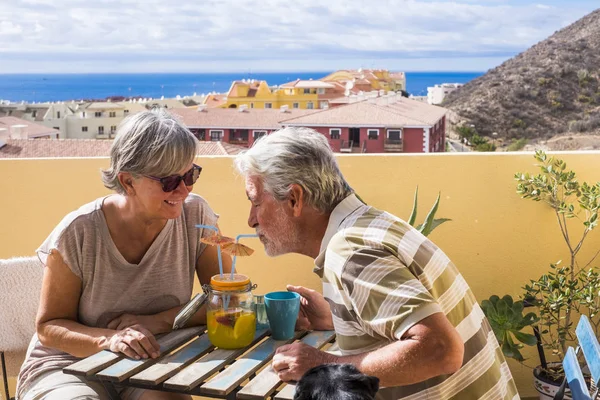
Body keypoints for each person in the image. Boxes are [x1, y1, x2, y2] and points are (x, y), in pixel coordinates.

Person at [234, 127, 518, 399]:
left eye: (256, 202)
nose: (251, 219)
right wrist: (336, 318)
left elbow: (441, 349)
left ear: (295, 199)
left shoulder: (350, 251)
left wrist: (324, 364)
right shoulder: (370, 223)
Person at [17, 109, 231, 400]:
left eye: (190, 174)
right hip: (69, 366)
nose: (183, 189)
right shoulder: (79, 232)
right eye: (169, 181)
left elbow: (226, 299)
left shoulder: (197, 215)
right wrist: (110, 340)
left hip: (149, 362)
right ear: (128, 181)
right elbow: (50, 327)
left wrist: (158, 322)